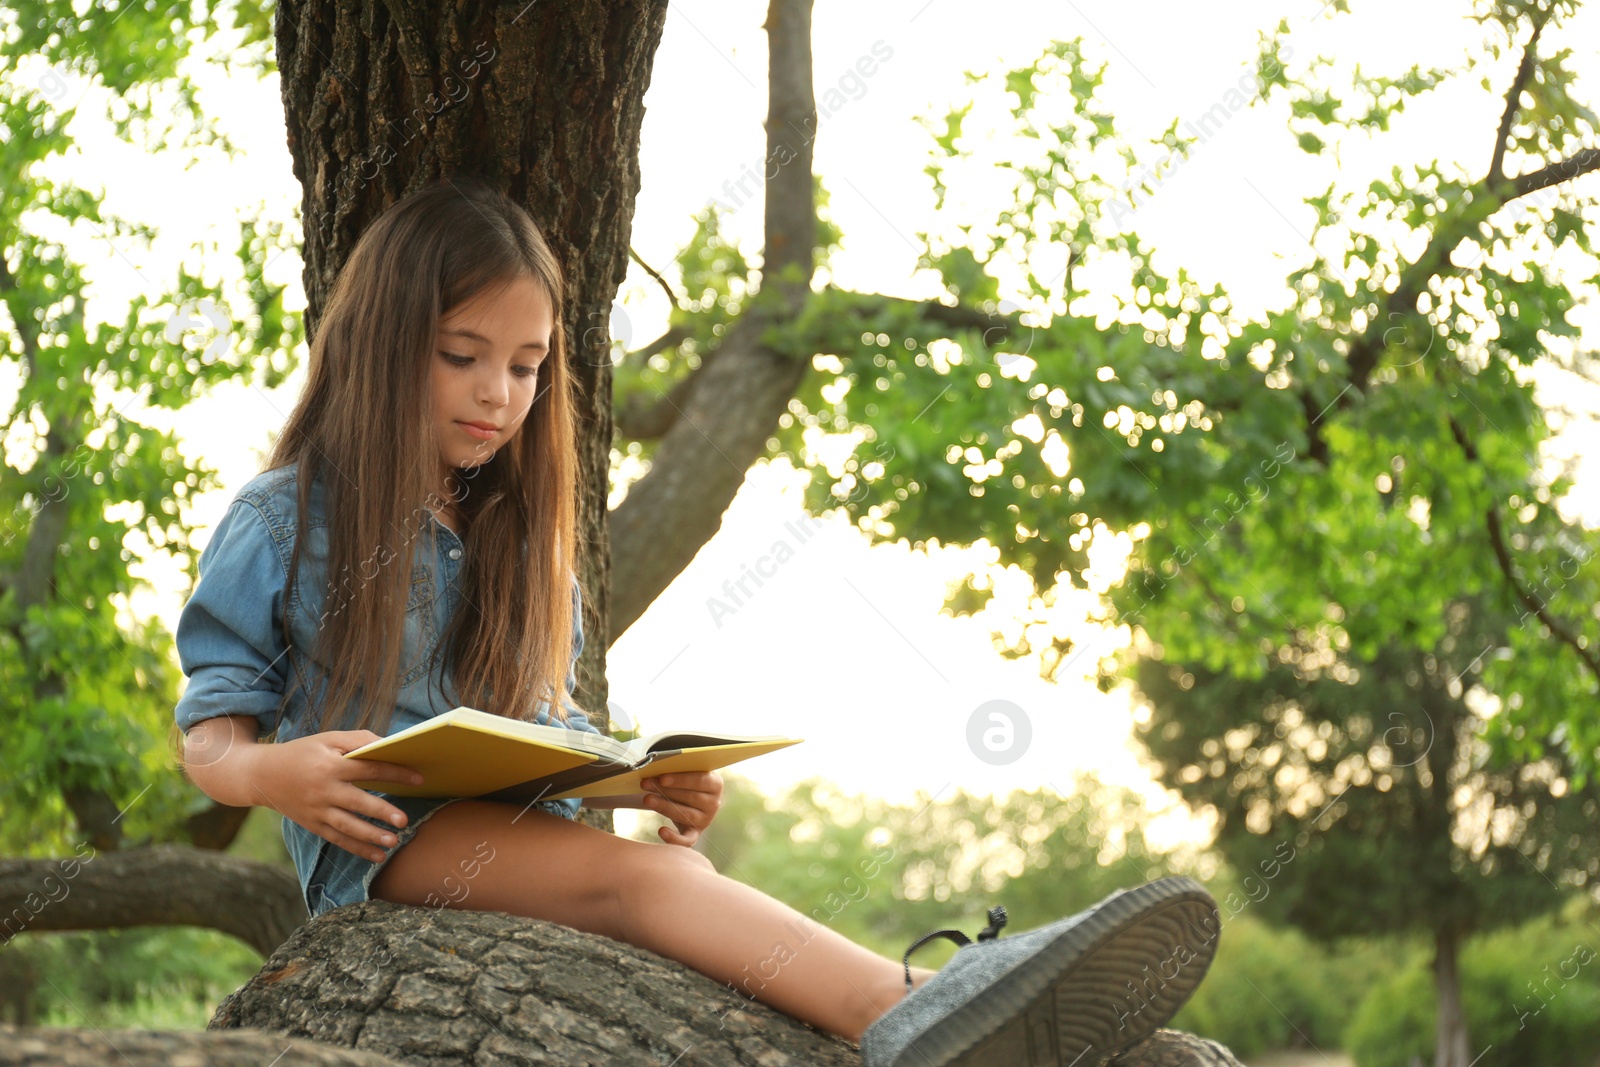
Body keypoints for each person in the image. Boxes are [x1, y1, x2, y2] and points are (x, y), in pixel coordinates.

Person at [172, 177, 1222, 1066]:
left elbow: (554, 722)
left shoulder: (522, 541)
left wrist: (640, 775)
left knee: (677, 874)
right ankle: (913, 1006)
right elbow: (211, 728)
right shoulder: (283, 517)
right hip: (386, 851)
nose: (499, 391)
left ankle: (936, 1005)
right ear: (383, 341)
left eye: (529, 365)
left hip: (527, 834)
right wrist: (276, 774)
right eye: (462, 354)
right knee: (648, 880)